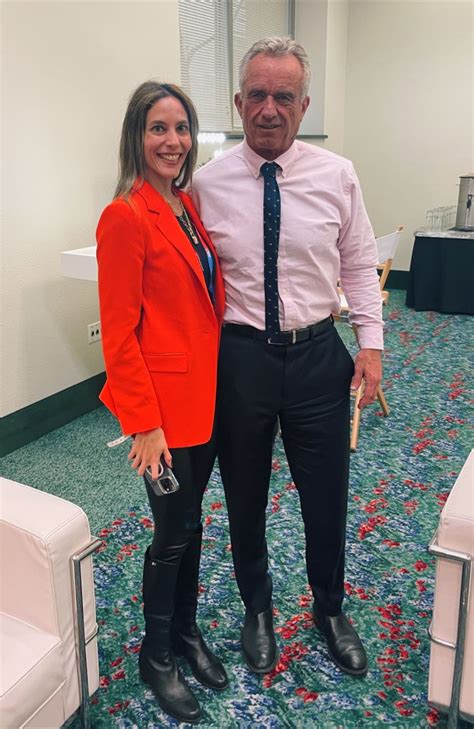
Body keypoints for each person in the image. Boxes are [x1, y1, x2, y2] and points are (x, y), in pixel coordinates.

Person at [192, 37, 383, 678]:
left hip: (317, 357)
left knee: (326, 494)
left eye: (283, 96)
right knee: (244, 494)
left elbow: (358, 263)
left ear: (303, 105)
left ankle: (330, 609)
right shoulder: (207, 183)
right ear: (238, 102)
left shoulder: (338, 175)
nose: (268, 108)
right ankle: (258, 609)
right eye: (257, 95)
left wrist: (371, 346)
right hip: (240, 360)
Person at [96, 81, 227, 724]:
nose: (172, 141)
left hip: (204, 400)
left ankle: (185, 630)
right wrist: (143, 424)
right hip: (162, 415)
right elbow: (119, 334)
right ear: (137, 136)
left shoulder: (184, 204)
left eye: (181, 128)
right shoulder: (125, 215)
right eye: (158, 128)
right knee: (172, 532)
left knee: (192, 523)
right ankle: (156, 654)